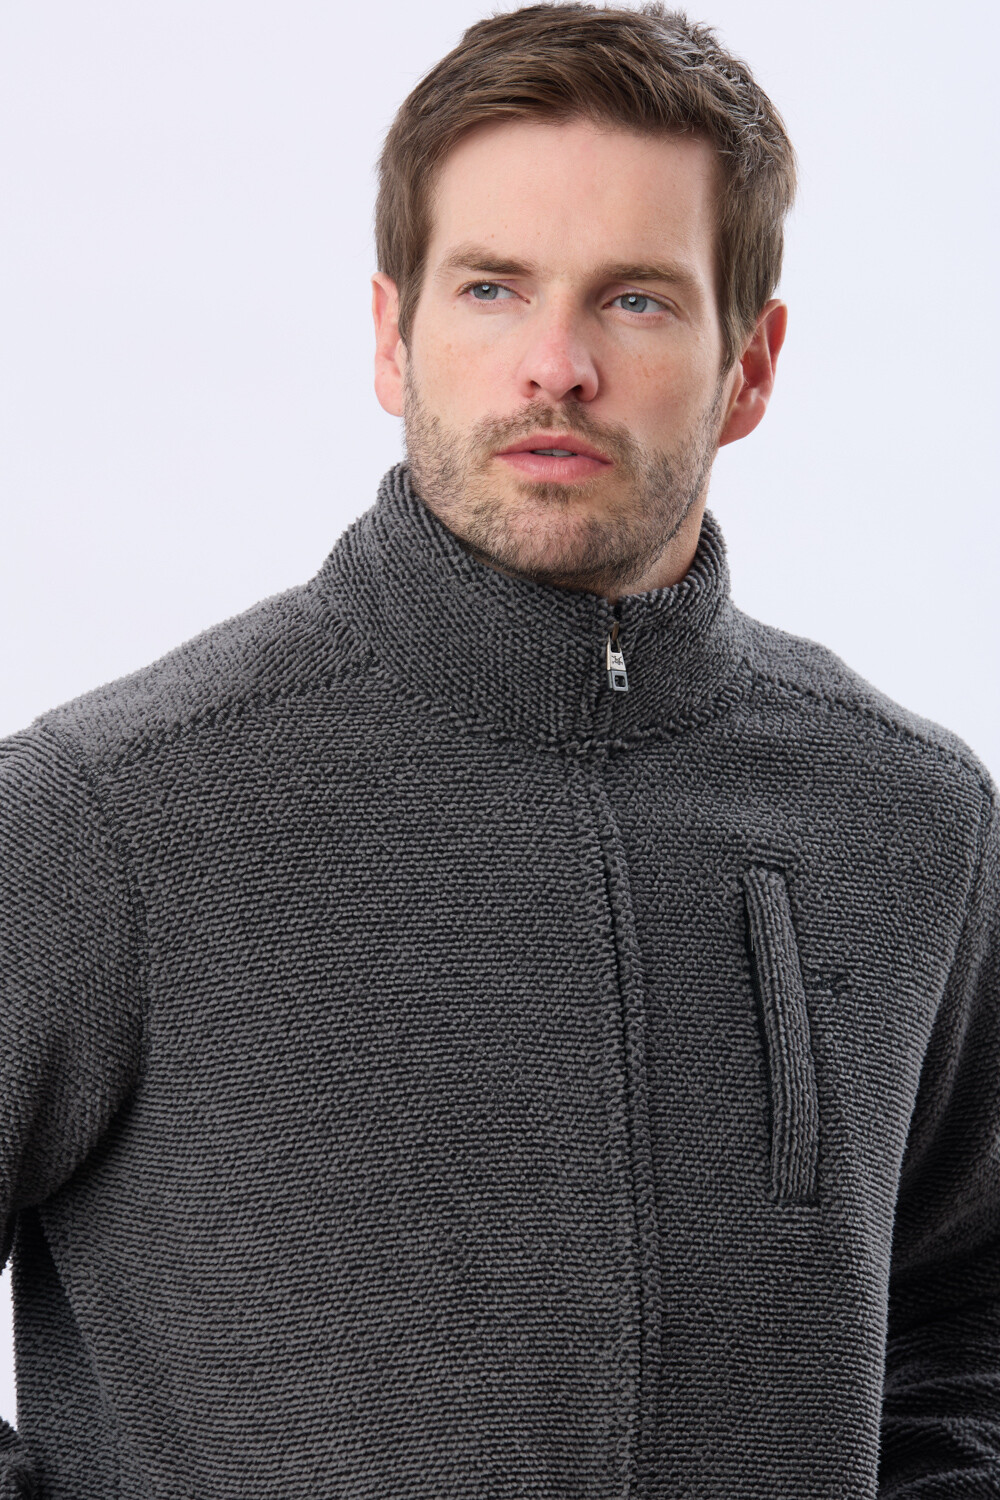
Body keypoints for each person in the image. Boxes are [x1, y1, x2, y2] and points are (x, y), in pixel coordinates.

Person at [2, 3, 998, 1495]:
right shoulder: (102, 819)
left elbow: (969, 1311)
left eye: (636, 300)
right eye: (490, 288)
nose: (555, 365)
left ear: (751, 365)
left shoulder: (912, 820)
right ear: (392, 336)